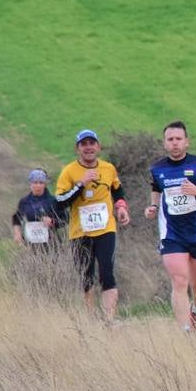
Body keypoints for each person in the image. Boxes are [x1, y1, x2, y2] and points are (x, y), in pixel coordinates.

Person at [143, 122, 196, 330]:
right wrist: (153, 206)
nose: (175, 143)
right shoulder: (157, 168)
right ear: (164, 144)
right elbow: (156, 188)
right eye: (170, 140)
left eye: (178, 139)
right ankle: (185, 331)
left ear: (187, 142)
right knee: (179, 281)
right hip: (171, 234)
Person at [56, 129, 129, 320]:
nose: (88, 148)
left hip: (106, 229)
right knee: (86, 277)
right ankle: (90, 318)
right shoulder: (69, 171)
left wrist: (121, 207)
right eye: (84, 144)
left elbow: (117, 190)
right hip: (80, 232)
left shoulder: (108, 168)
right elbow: (60, 201)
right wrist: (80, 184)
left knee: (107, 272)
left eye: (92, 143)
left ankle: (109, 319)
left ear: (98, 146)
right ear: (77, 149)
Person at [12, 169, 64, 250]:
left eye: (41, 183)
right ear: (31, 184)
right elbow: (16, 219)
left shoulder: (53, 200)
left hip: (52, 245)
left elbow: (65, 219)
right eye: (35, 183)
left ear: (45, 184)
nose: (38, 186)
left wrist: (52, 221)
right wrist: (17, 234)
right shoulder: (24, 202)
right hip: (30, 245)